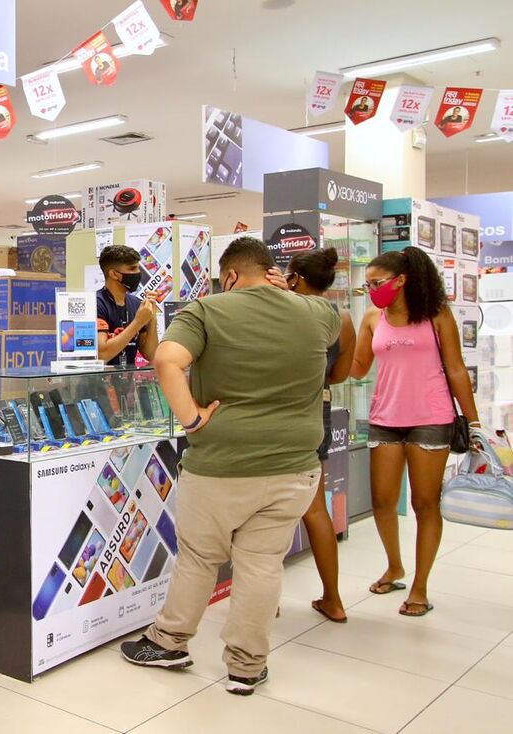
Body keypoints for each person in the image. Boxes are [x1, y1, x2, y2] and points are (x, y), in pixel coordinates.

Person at [120, 237, 339, 696]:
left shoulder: (206, 311)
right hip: (295, 464)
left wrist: (193, 418)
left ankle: (170, 641)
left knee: (200, 557)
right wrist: (291, 297)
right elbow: (342, 330)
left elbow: (166, 359)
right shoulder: (318, 313)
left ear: (232, 276)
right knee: (262, 564)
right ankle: (246, 666)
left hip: (222, 464)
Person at [351, 246, 479, 618]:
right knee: (382, 501)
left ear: (401, 280)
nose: (372, 289)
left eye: (377, 282)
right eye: (368, 284)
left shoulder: (436, 314)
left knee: (425, 504)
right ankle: (395, 566)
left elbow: (455, 369)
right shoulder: (372, 317)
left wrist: (473, 422)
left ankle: (420, 585)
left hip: (431, 417)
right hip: (384, 417)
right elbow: (358, 366)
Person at [283, 248, 356, 623]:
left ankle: (267, 600)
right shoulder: (340, 317)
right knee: (315, 508)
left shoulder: (281, 310)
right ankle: (333, 598)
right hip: (317, 408)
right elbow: (342, 373)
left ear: (294, 277)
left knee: (265, 510)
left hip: (275, 410)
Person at [96, 245, 159, 367]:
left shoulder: (136, 303)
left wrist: (152, 318)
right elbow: (103, 354)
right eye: (132, 269)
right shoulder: (97, 303)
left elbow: (150, 354)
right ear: (114, 274)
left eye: (138, 268)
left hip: (127, 383)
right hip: (100, 383)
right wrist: (138, 322)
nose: (138, 273)